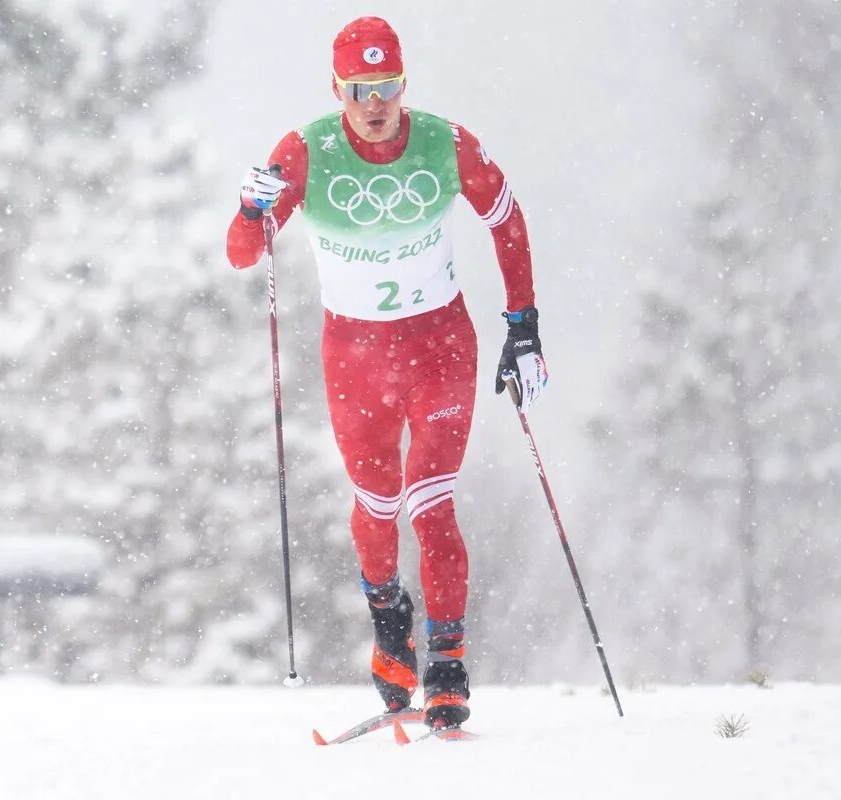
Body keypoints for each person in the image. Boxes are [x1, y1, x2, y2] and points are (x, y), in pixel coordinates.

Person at [226, 16, 547, 730]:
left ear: (405, 84)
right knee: (376, 508)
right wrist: (250, 208)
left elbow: (507, 218)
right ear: (337, 88)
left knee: (432, 504)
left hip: (440, 348)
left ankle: (448, 663)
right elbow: (244, 253)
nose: (376, 103)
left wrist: (522, 324)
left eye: (389, 86)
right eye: (361, 88)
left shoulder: (445, 142)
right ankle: (389, 618)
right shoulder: (305, 152)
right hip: (356, 359)